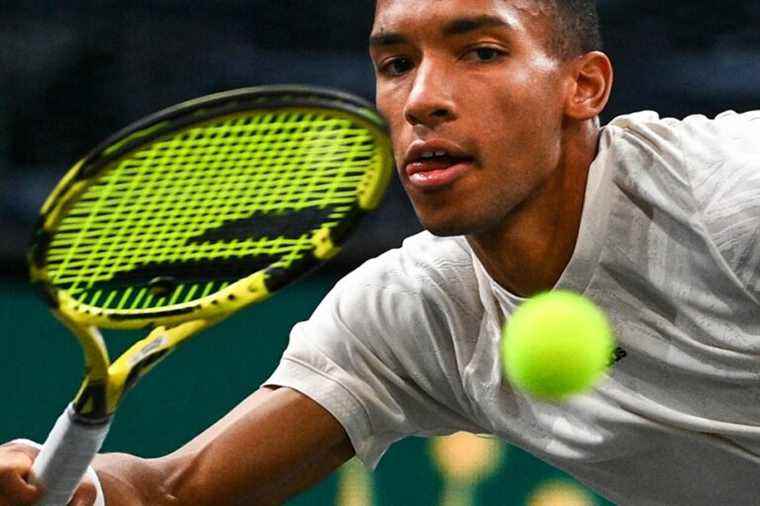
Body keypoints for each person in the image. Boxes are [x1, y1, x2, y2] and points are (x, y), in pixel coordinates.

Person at [2, 0, 759, 504]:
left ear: (584, 87)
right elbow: (173, 491)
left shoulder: (730, 196)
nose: (423, 98)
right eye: (396, 64)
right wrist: (75, 488)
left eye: (482, 52)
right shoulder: (415, 311)